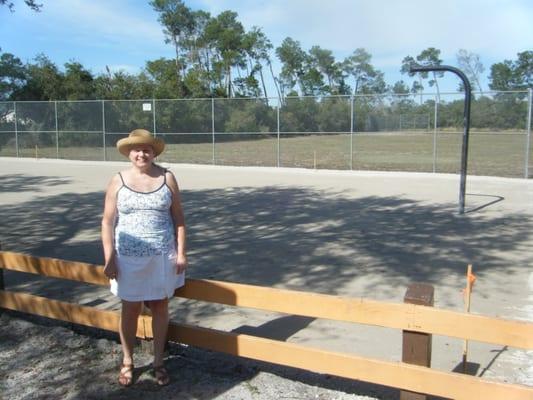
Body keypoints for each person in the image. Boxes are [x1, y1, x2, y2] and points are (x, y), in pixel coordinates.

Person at [101, 128, 187, 386]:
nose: (142, 153)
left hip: (163, 257)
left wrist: (181, 253)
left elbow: (179, 219)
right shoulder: (117, 180)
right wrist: (109, 258)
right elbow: (107, 222)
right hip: (127, 260)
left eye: (147, 149)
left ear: (154, 152)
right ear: (129, 153)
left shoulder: (167, 177)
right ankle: (127, 361)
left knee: (160, 307)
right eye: (136, 149)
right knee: (130, 309)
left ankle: (158, 362)